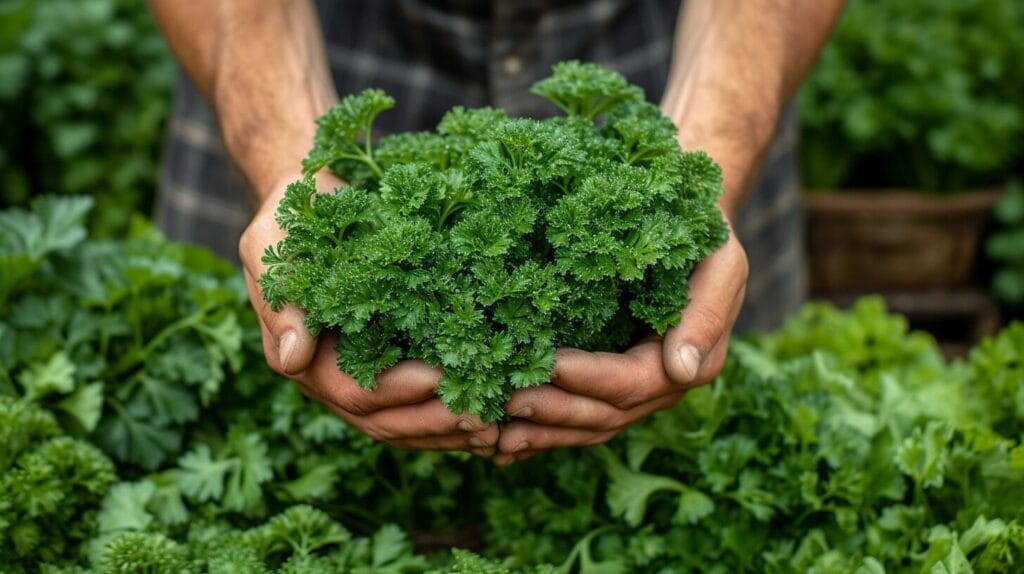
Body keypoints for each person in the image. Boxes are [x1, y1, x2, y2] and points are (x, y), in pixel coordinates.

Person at [149, 0, 843, 466]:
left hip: (669, 48)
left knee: (702, 427)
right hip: (305, 42)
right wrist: (287, 158)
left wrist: (704, 163)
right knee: (260, 413)